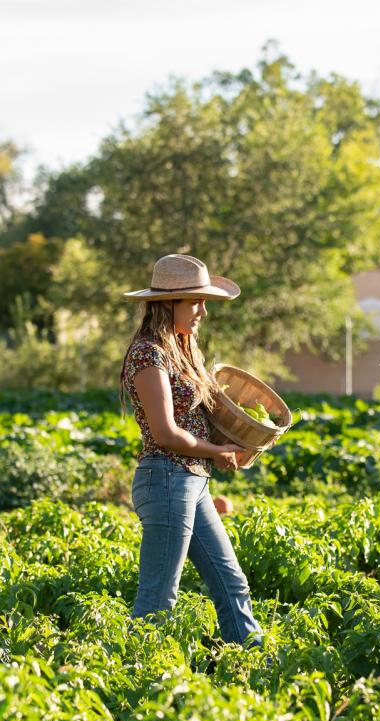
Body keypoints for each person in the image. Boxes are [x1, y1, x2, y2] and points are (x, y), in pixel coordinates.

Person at [119, 253, 263, 647]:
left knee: (231, 582)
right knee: (157, 599)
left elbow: (202, 419)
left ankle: (256, 666)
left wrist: (233, 441)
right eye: (195, 302)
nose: (202, 311)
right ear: (169, 304)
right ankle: (138, 682)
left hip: (192, 482)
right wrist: (216, 452)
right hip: (166, 479)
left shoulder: (183, 350)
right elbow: (165, 433)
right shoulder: (149, 353)